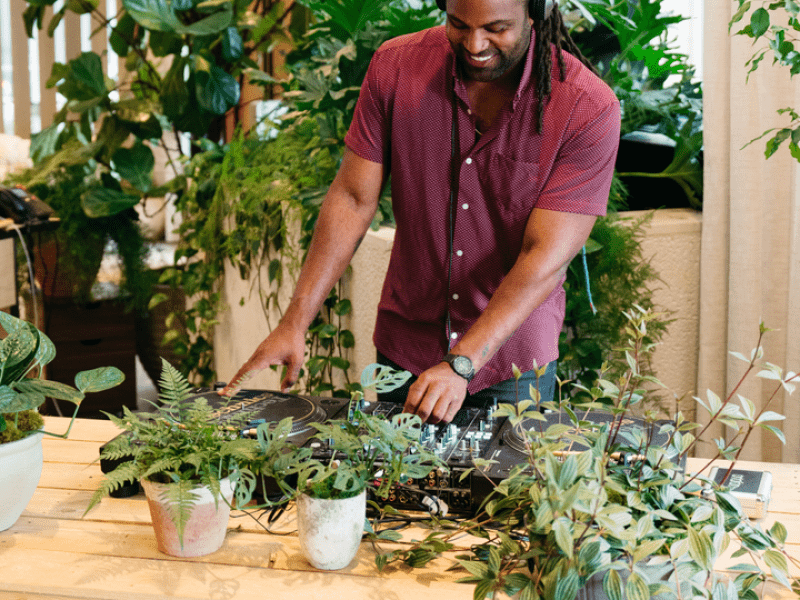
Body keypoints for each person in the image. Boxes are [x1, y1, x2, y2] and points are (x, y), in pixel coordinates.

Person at [222, 0, 620, 424]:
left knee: (502, 492)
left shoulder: (586, 107)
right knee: (392, 487)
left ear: (536, 11)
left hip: (510, 367)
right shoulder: (395, 67)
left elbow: (544, 257)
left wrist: (462, 363)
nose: (474, 44)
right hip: (405, 345)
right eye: (458, 24)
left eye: (496, 28)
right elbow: (353, 198)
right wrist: (294, 322)